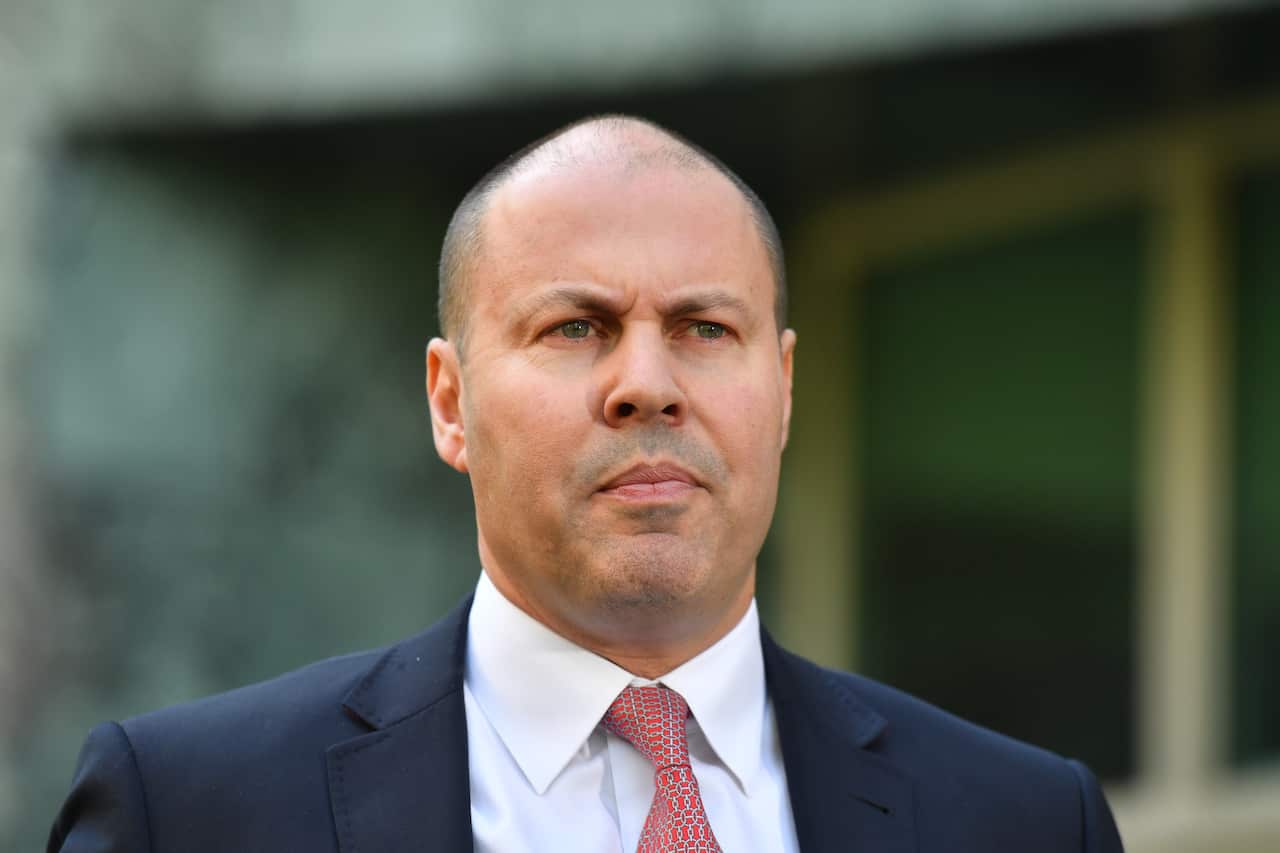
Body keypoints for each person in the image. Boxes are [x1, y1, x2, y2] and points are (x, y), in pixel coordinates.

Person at [48, 115, 1124, 852]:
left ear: (783, 388)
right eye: (576, 327)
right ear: (449, 401)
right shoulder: (187, 814)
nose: (646, 385)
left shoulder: (1023, 822)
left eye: (704, 328)